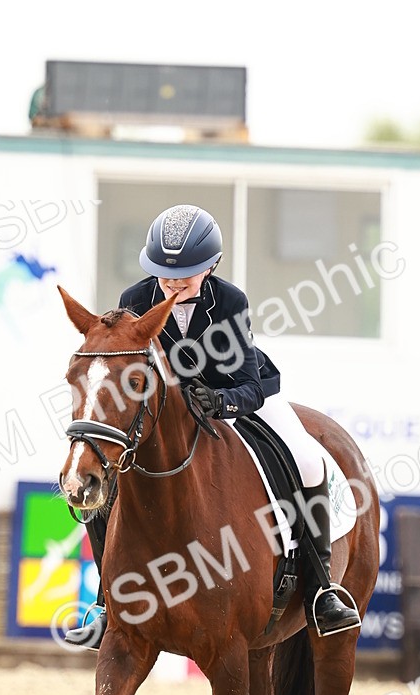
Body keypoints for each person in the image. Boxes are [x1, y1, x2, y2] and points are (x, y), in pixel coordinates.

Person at [78, 203, 361, 649]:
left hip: (236, 397)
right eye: (164, 274)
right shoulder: (135, 299)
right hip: (166, 413)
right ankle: (104, 600)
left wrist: (220, 401)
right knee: (106, 479)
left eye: (185, 275)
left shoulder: (230, 302)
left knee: (307, 460)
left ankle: (322, 588)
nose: (172, 283)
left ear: (211, 266)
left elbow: (249, 384)